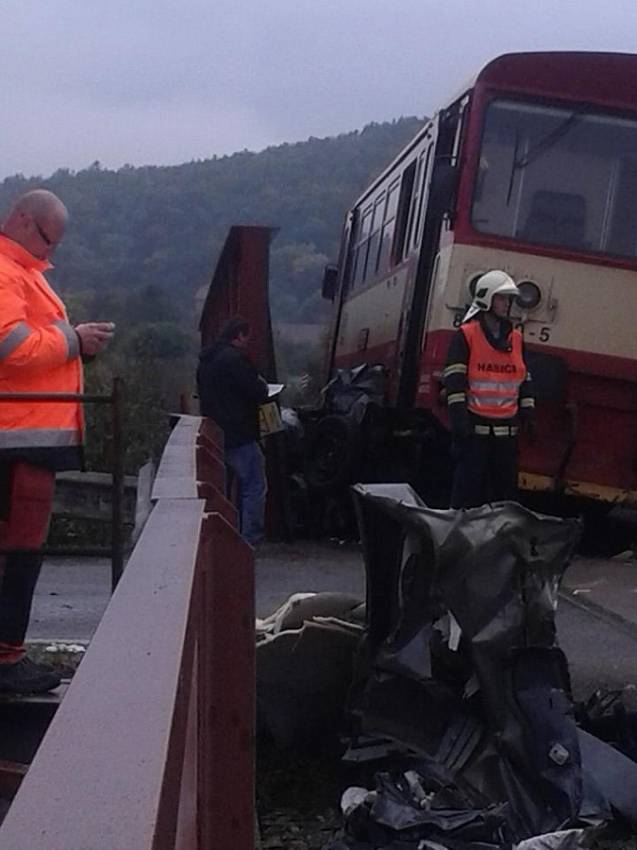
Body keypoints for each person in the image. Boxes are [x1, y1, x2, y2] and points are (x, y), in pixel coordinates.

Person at [0, 189, 114, 693]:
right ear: (23, 221)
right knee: (16, 552)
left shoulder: (23, 275)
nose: (51, 252)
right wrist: (74, 339)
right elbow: (12, 348)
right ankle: (6, 660)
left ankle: (9, 655)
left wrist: (76, 346)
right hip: (16, 441)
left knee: (21, 550)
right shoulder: (5, 273)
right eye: (48, 240)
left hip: (26, 440)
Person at [443, 270, 535, 509]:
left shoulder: (516, 338)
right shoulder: (466, 336)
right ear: (486, 299)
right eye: (501, 298)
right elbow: (454, 381)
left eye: (508, 299)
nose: (507, 304)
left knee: (505, 498)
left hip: (506, 435)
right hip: (474, 432)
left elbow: (524, 378)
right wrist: (459, 421)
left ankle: (500, 542)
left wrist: (528, 414)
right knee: (466, 493)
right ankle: (459, 540)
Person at [197, 316, 269, 546]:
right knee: (254, 486)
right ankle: (248, 540)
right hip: (240, 434)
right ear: (239, 335)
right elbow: (258, 391)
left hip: (215, 436)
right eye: (247, 337)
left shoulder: (206, 361)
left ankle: (222, 539)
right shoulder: (236, 360)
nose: (248, 342)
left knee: (222, 490)